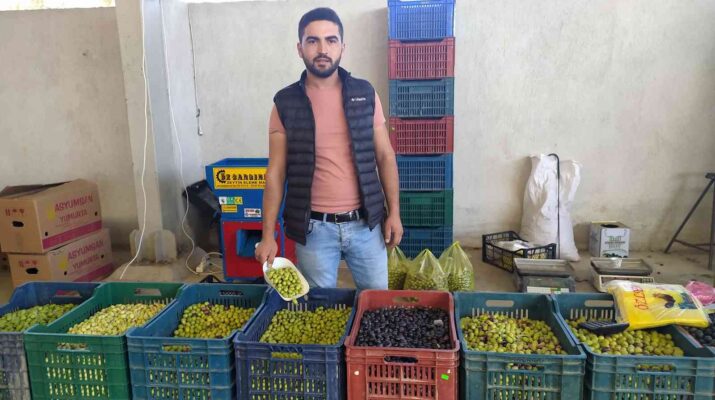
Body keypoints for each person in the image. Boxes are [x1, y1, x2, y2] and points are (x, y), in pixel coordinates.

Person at [254, 7, 402, 289]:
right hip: (313, 230)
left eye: (331, 40)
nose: (322, 49)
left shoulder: (365, 94)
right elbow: (275, 172)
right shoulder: (285, 103)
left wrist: (394, 212)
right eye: (313, 41)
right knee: (320, 306)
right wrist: (268, 234)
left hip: (366, 225)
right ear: (300, 48)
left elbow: (385, 156)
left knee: (376, 304)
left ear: (342, 47)